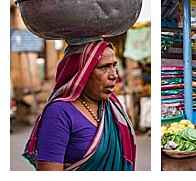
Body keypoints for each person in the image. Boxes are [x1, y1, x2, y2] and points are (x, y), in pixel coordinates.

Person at [24, 41, 136, 170]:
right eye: (104, 67)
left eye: (113, 66)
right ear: (81, 73)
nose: (114, 75)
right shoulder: (59, 113)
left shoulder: (113, 109)